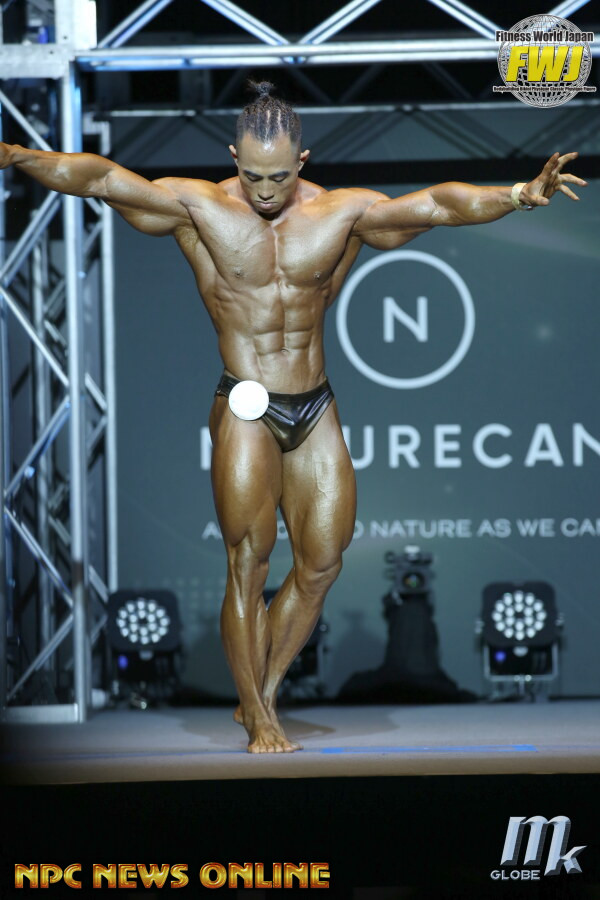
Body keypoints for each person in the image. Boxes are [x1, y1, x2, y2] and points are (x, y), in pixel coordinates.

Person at [0, 80, 586, 753]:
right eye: (253, 175)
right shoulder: (199, 208)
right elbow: (102, 178)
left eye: (278, 176)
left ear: (301, 161)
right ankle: (258, 713)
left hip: (313, 402)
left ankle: (265, 691)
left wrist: (517, 195)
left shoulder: (343, 213)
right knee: (248, 562)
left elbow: (437, 205)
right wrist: (17, 155)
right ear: (234, 157)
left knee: (322, 562)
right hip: (245, 402)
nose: (265, 190)